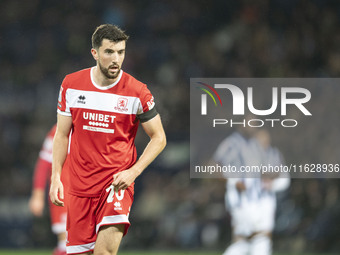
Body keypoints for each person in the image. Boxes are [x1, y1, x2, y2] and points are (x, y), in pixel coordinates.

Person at [49, 24, 166, 255]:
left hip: (115, 184)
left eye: (121, 52)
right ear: (94, 53)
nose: (116, 59)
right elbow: (62, 135)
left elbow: (159, 137)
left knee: (104, 253)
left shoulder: (137, 92)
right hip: (79, 188)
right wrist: (55, 177)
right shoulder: (71, 85)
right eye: (109, 52)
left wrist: (133, 172)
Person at [213, 128, 290, 255]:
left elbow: (284, 179)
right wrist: (236, 185)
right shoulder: (244, 156)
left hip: (265, 203)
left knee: (258, 238)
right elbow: (229, 175)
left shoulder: (274, 154)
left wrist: (272, 184)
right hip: (244, 204)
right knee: (251, 238)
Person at [29, 124, 67, 255]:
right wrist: (37, 195)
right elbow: (44, 162)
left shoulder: (92, 123)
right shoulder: (59, 129)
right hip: (63, 194)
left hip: (88, 193)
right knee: (66, 243)